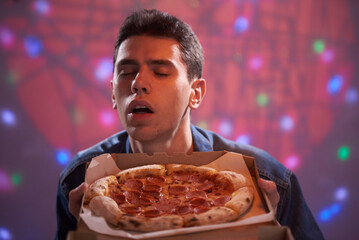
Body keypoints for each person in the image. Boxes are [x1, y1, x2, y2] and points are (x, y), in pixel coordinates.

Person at [56, 9, 324, 240]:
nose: (138, 83)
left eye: (160, 72)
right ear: (114, 92)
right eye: (126, 72)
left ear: (195, 93)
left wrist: (268, 229)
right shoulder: (80, 179)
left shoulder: (267, 179)